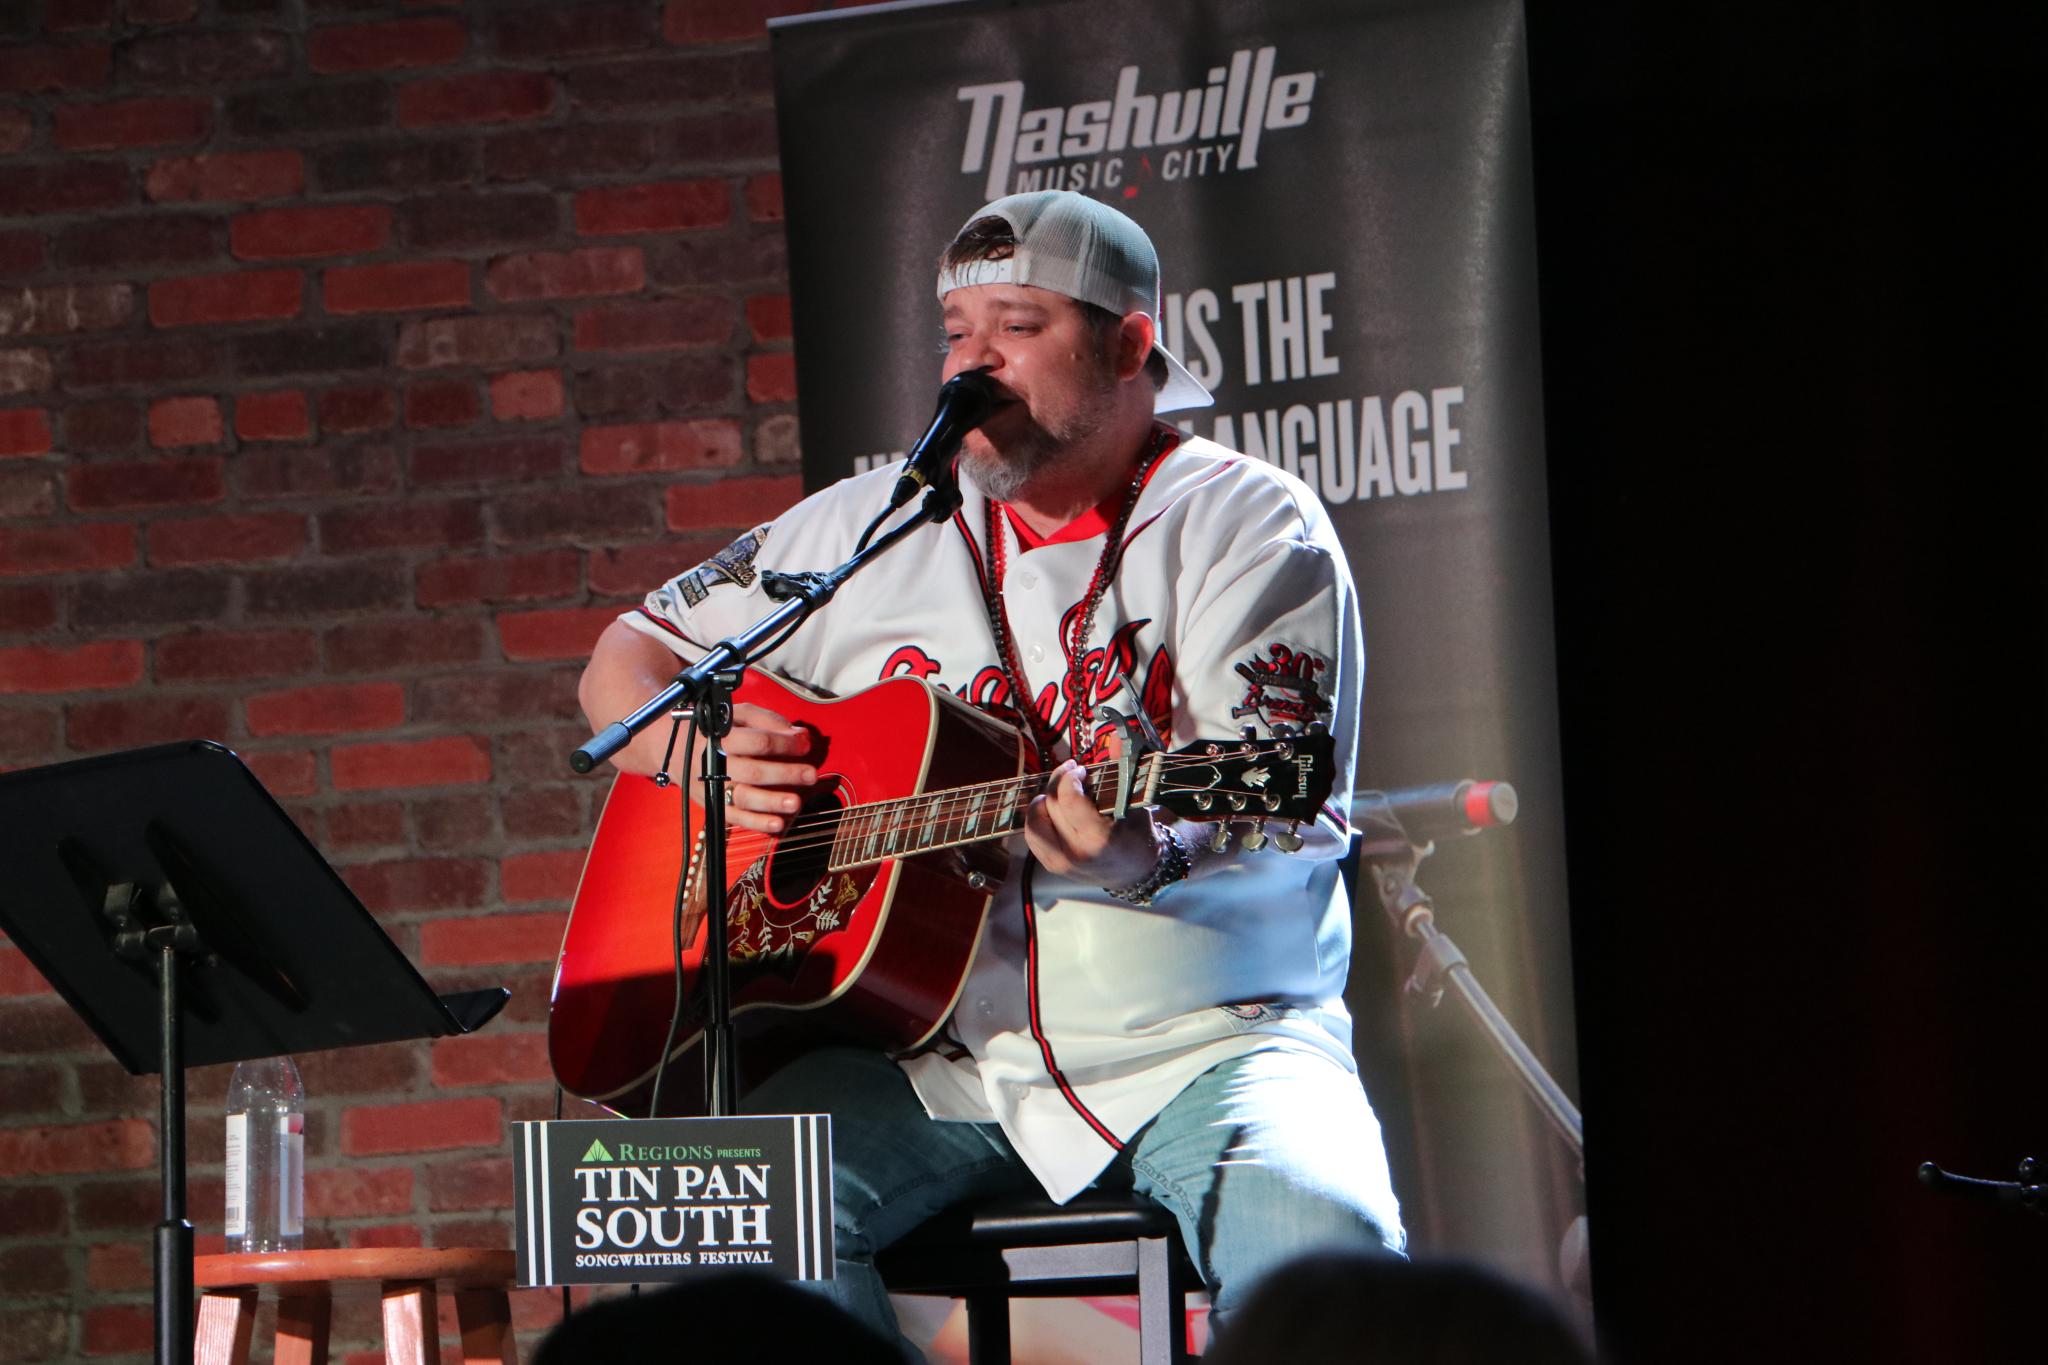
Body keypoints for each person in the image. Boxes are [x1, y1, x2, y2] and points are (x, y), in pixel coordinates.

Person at [577, 189, 1402, 1352]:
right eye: (956, 332)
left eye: (1016, 327)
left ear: (1128, 345)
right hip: (937, 1057)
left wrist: (1136, 850)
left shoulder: (1248, 523)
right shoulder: (869, 526)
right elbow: (627, 659)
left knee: (1325, 1263)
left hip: (1211, 1040)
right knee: (710, 1214)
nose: (972, 364)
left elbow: (1271, 786)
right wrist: (699, 754)